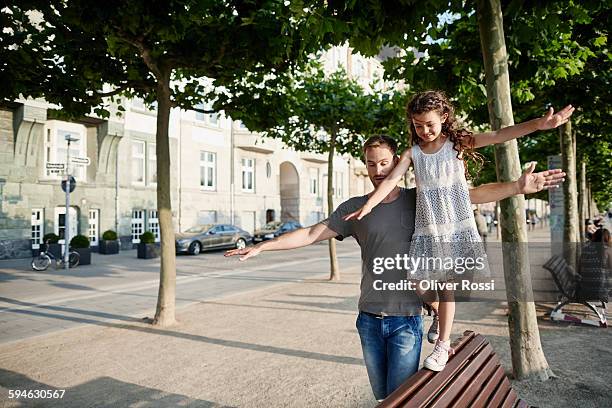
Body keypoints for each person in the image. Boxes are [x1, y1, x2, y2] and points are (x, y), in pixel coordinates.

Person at [224, 135, 565, 401]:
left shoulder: (419, 198)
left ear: (397, 162)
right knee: (383, 397)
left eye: (385, 162)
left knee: (400, 398)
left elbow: (472, 194)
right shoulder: (355, 208)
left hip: (406, 320)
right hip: (368, 319)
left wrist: (517, 188)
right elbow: (313, 233)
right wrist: (263, 246)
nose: (378, 170)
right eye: (371, 164)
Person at [343, 91, 574, 372]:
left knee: (446, 287)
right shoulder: (413, 153)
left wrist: (538, 124)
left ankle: (442, 346)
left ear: (443, 117)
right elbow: (391, 178)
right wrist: (368, 205)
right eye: (417, 125)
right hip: (428, 229)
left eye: (429, 124)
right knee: (416, 281)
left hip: (455, 227)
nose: (424, 131)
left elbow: (500, 134)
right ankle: (439, 315)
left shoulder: (457, 143)